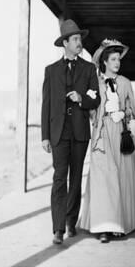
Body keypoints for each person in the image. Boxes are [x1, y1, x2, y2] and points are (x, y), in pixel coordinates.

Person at [41, 19, 101, 245]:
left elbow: (95, 98)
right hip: (57, 132)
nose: (79, 43)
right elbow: (46, 104)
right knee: (59, 178)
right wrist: (45, 135)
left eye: (79, 39)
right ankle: (57, 229)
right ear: (65, 43)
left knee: (75, 179)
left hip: (79, 131)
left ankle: (70, 222)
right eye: (75, 39)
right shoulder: (51, 71)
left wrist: (81, 98)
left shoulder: (88, 69)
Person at [77, 38, 135, 243]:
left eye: (118, 59)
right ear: (104, 61)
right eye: (113, 59)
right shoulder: (94, 82)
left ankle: (118, 224)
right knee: (103, 179)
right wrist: (96, 110)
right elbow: (89, 110)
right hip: (101, 135)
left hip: (119, 133)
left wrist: (123, 114)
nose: (117, 63)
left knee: (120, 177)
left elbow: (131, 109)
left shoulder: (125, 83)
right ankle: (103, 227)